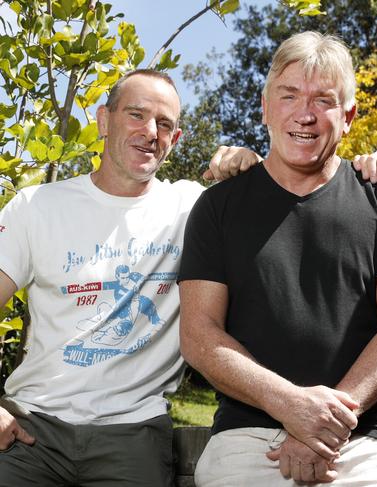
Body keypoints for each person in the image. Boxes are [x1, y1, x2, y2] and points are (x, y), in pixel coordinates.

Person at [178, 31, 377, 486]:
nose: (305, 114)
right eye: (289, 95)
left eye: (324, 100)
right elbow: (198, 335)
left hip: (362, 435)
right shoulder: (218, 206)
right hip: (247, 435)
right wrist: (290, 405)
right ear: (265, 106)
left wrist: (324, 422)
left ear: (348, 116)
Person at [0, 69, 263, 486]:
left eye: (164, 124)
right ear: (104, 120)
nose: (150, 132)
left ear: (175, 141)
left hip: (132, 434)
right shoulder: (37, 205)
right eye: (136, 115)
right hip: (33, 429)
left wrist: (248, 168)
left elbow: (279, 210)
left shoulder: (193, 209)